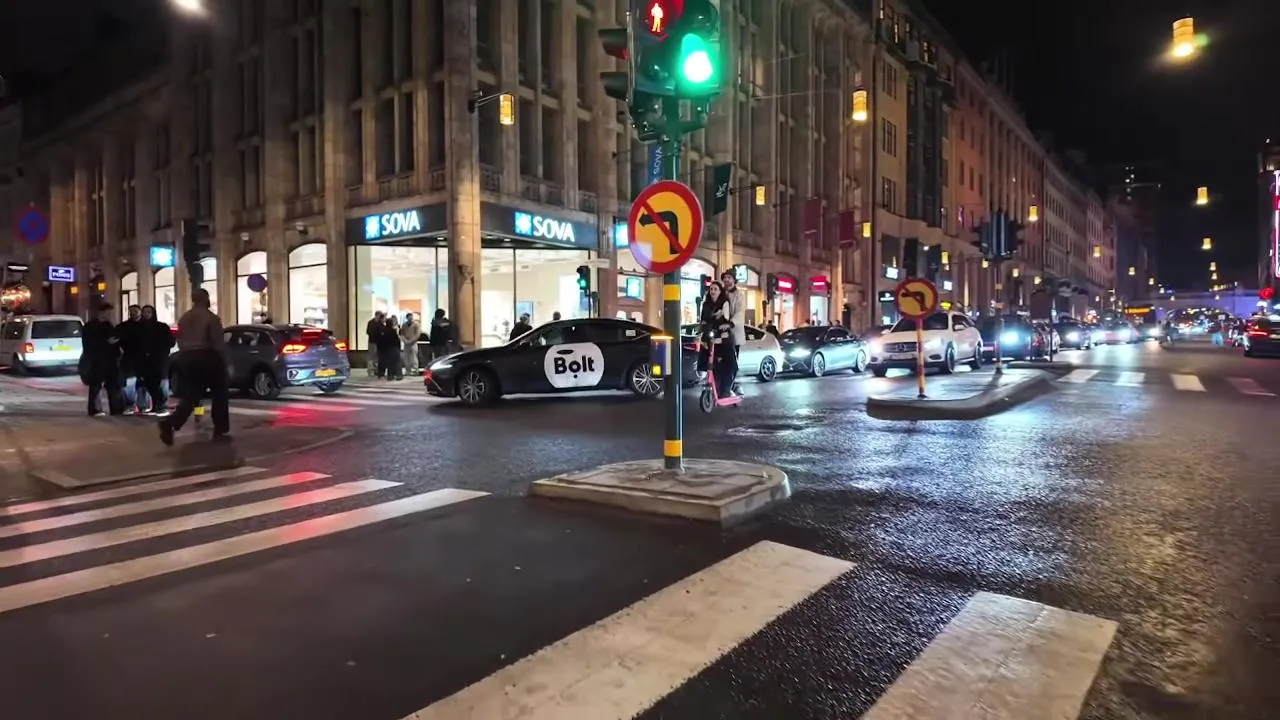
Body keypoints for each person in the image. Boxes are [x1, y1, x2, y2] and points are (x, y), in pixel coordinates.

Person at [159, 288, 229, 444]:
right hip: (207, 356)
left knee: (191, 395)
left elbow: (180, 339)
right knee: (219, 392)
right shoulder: (211, 317)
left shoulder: (184, 318)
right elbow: (217, 341)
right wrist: (222, 359)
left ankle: (172, 422)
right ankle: (220, 426)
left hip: (187, 357)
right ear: (206, 299)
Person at [81, 302, 124, 417]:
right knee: (96, 385)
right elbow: (88, 344)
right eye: (108, 313)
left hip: (111, 360)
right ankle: (95, 409)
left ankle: (116, 409)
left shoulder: (109, 325)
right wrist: (106, 342)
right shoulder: (90, 326)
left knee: (113, 385)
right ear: (101, 312)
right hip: (96, 360)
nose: (110, 315)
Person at [699, 281, 736, 398]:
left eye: (715, 289)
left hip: (722, 337)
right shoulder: (706, 304)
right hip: (710, 337)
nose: (713, 291)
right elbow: (703, 321)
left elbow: (726, 321)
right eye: (711, 289)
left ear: (720, 291)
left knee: (729, 364)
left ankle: (726, 389)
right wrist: (703, 336)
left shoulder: (724, 303)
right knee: (711, 365)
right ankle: (716, 388)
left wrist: (722, 323)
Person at [137, 305, 174, 413]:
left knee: (161, 383)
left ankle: (160, 405)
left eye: (149, 312)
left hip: (159, 359)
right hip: (145, 360)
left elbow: (171, 341)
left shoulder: (162, 327)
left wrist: (163, 350)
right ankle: (155, 405)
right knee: (149, 383)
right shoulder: (139, 328)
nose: (147, 314)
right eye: (144, 312)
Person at [719, 270, 746, 395]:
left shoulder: (739, 295)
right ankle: (722, 386)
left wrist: (730, 323)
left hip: (734, 334)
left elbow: (740, 312)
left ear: (734, 280)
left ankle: (728, 387)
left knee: (732, 363)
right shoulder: (720, 293)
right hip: (720, 334)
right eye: (725, 277)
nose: (726, 280)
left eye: (729, 277)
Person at [115, 304, 146, 413]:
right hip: (129, 358)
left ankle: (143, 405)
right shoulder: (123, 326)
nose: (134, 313)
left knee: (143, 384)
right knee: (129, 384)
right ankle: (130, 405)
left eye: (136, 311)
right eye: (132, 311)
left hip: (143, 359)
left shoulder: (146, 326)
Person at [377, 315, 403, 380]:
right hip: (394, 348)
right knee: (397, 362)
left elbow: (381, 341)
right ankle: (398, 375)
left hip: (387, 349)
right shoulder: (393, 331)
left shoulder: (384, 331)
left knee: (390, 363)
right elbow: (396, 340)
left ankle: (390, 376)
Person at [365, 311, 385, 376]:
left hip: (379, 343)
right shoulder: (371, 323)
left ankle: (376, 370)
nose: (380, 317)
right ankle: (370, 370)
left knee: (377, 357)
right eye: (380, 316)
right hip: (372, 342)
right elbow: (368, 331)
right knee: (371, 357)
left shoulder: (380, 323)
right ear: (377, 315)